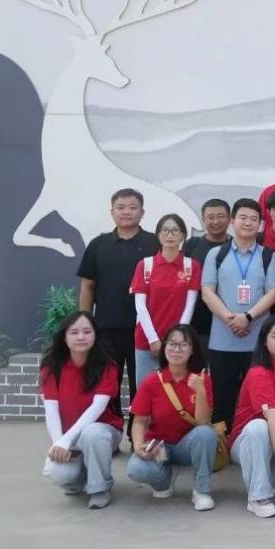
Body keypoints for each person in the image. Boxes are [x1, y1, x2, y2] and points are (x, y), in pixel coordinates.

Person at [77, 188, 160, 441]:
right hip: (106, 328)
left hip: (143, 330)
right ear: (112, 212)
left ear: (142, 212)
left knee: (142, 386)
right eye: (121, 207)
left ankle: (138, 436)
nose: (126, 212)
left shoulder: (154, 243)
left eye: (132, 208)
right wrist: (85, 323)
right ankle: (108, 433)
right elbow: (87, 286)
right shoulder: (98, 244)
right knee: (107, 384)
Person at [200, 199, 275, 434]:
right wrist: (230, 318)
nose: (248, 223)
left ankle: (253, 443)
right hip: (222, 341)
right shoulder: (216, 254)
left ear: (260, 224)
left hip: (257, 343)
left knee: (257, 400)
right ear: (232, 221)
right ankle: (222, 446)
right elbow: (207, 292)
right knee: (222, 399)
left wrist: (247, 317)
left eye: (254, 219)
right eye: (243, 218)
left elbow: (273, 293)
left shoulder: (267, 255)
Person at [125, 324, 219, 511]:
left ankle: (201, 491)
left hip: (187, 446)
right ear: (164, 347)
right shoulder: (152, 381)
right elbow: (139, 421)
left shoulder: (201, 379)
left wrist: (200, 390)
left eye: (183, 345)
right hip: (159, 447)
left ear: (192, 350)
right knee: (135, 468)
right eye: (172, 344)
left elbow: (202, 421)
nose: (177, 349)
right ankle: (164, 480)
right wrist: (139, 447)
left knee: (206, 433)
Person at [39, 311, 123, 510]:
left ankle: (99, 488)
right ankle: (80, 478)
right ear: (64, 337)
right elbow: (51, 410)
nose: (81, 337)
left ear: (95, 335)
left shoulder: (107, 365)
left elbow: (97, 408)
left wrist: (67, 440)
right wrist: (59, 442)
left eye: (87, 331)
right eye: (74, 332)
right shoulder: (51, 366)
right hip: (68, 435)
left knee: (92, 433)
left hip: (103, 432)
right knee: (57, 473)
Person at [230, 315, 275, 519]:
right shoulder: (259, 373)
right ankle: (258, 497)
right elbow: (273, 415)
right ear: (265, 341)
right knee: (258, 427)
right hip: (248, 441)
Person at [130, 213, 201, 390]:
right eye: (165, 230)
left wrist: (177, 339)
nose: (170, 235)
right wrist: (153, 339)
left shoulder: (191, 266)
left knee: (177, 393)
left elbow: (190, 305)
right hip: (147, 342)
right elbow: (140, 306)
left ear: (183, 235)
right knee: (145, 392)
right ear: (158, 235)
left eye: (175, 230)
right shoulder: (145, 265)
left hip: (178, 344)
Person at [184, 198, 232, 337]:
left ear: (230, 219)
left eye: (220, 216)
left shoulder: (237, 246)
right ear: (203, 219)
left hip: (230, 317)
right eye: (210, 217)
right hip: (197, 318)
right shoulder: (191, 245)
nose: (215, 222)